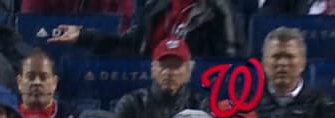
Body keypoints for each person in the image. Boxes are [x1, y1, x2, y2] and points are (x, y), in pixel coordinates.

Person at [48, 0, 245, 59]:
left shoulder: (220, 11)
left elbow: (229, 65)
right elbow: (129, 47)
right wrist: (84, 35)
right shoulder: (156, 8)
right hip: (150, 92)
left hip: (196, 99)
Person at [254, 27, 335, 118]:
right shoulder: (247, 102)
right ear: (263, 62)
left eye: (289, 57)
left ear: (303, 63)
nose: (282, 63)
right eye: (276, 56)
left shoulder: (323, 105)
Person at [110, 38, 205, 118]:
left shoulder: (200, 105)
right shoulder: (131, 103)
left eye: (176, 66)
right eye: (163, 66)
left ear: (189, 71)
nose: (169, 72)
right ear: (153, 69)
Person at [16, 49, 73, 118]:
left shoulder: (68, 115)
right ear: (19, 82)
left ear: (55, 82)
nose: (37, 82)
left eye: (43, 77)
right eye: (30, 77)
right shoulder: (9, 116)